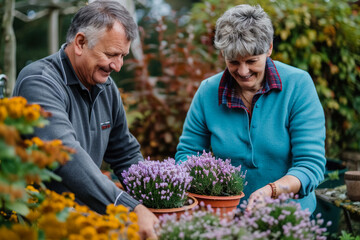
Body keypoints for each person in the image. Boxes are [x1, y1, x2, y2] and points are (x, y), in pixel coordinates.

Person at [12, 1, 158, 239]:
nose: (118, 66)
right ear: (80, 43)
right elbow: (65, 154)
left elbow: (124, 153)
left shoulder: (106, 87)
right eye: (111, 54)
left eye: (122, 56)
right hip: (40, 222)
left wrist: (153, 197)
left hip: (90, 219)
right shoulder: (39, 82)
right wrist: (130, 207)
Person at [175, 4, 326, 214]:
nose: (243, 71)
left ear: (269, 48)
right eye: (233, 61)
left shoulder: (297, 85)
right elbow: (187, 154)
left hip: (288, 218)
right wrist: (209, 185)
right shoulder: (208, 92)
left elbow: (310, 165)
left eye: (252, 61)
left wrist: (271, 191)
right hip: (226, 215)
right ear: (223, 54)